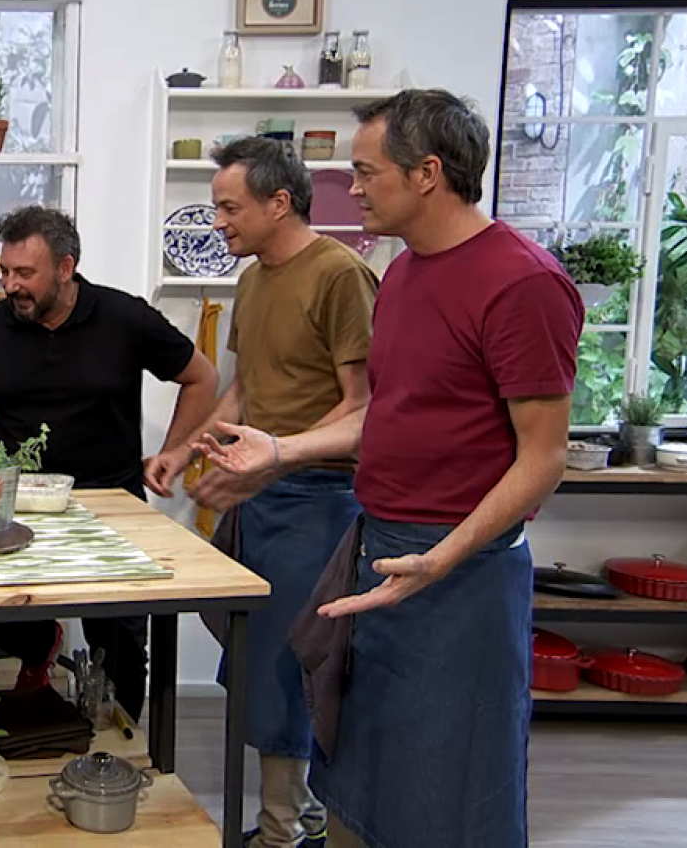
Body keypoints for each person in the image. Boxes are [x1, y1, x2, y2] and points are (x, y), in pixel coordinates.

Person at [197, 90, 582, 848]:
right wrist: (281, 450)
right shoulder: (404, 273)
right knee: (354, 773)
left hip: (460, 573)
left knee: (447, 785)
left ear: (427, 173)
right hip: (376, 546)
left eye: (367, 173)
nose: (352, 189)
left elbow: (544, 457)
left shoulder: (523, 283)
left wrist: (443, 556)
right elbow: (386, 412)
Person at [147, 137, 377, 848]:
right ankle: (302, 816)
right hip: (262, 496)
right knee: (253, 657)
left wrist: (277, 459)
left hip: (322, 499)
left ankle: (281, 833)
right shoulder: (251, 280)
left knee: (287, 667)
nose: (218, 222)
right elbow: (242, 392)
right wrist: (184, 449)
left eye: (229, 207)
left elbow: (364, 404)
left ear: (280, 203)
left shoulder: (340, 274)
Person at [0, 205, 218, 722]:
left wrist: (176, 451)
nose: (11, 285)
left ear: (66, 268)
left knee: (121, 641)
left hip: (113, 500)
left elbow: (202, 378)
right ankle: (41, 646)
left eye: (25, 273)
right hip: (19, 504)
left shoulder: (124, 317)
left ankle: (124, 744)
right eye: (5, 272)